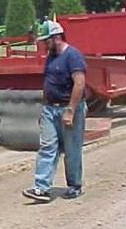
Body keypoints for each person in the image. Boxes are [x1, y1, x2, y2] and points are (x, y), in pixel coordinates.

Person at [23, 21, 87, 202]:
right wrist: (44, 110)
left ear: (56, 38)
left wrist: (71, 111)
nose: (44, 44)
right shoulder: (51, 56)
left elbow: (79, 83)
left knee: (72, 149)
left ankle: (74, 185)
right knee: (47, 146)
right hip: (50, 109)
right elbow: (49, 83)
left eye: (46, 41)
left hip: (69, 108)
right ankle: (41, 188)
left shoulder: (73, 56)